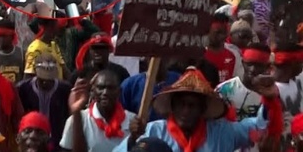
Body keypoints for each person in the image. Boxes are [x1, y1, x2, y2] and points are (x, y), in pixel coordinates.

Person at [113, 67, 280, 151]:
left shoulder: (221, 132)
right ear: (172, 106)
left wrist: (270, 99)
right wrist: (132, 140)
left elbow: (258, 126)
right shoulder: (153, 131)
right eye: (181, 104)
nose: (186, 111)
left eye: (192, 105)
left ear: (203, 108)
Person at [61, 70, 136, 152]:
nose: (105, 92)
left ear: (119, 91)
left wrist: (135, 136)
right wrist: (76, 113)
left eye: (110, 88)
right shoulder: (78, 119)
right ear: (92, 91)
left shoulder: (132, 120)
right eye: (100, 88)